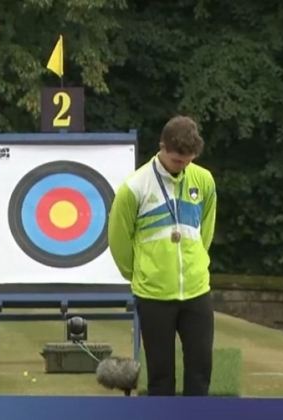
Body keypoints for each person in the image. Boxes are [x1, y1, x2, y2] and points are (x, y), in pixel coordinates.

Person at [106, 115, 217, 397]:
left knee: (201, 369)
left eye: (188, 160)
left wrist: (196, 264)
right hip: (154, 294)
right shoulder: (135, 187)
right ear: (162, 148)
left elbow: (205, 230)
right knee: (160, 376)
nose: (183, 166)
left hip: (196, 290)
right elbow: (119, 239)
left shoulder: (203, 180)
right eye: (178, 160)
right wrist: (140, 274)